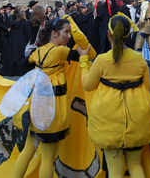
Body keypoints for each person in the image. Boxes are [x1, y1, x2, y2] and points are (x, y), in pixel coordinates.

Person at [12, 18, 92, 178]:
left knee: (28, 150)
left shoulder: (39, 51)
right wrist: (82, 47)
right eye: (66, 33)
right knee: (48, 159)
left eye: (70, 32)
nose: (68, 36)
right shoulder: (61, 51)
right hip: (52, 113)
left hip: (35, 109)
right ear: (54, 33)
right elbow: (87, 54)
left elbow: (23, 63)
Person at [81, 14, 150, 177]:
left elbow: (88, 86)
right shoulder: (139, 59)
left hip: (109, 121)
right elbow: (147, 87)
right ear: (128, 35)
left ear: (109, 34)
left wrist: (84, 62)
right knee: (135, 165)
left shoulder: (102, 60)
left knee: (114, 170)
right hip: (137, 118)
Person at [0, 11, 32, 77]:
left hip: (13, 43)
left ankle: (12, 71)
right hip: (22, 42)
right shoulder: (26, 23)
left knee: (13, 56)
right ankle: (20, 71)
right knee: (20, 56)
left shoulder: (14, 24)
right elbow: (28, 34)